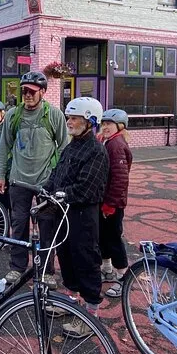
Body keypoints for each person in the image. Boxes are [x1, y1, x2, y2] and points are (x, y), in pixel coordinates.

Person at [0, 71, 68, 290]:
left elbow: (64, 147)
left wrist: (58, 179)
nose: (27, 95)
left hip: (45, 182)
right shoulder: (13, 115)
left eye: (32, 91)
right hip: (18, 181)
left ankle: (46, 271)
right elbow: (4, 147)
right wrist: (0, 175)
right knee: (18, 225)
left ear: (42, 92)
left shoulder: (54, 115)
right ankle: (17, 267)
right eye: (24, 91)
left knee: (47, 227)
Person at [43, 97, 108, 338]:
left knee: (85, 259)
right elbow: (57, 173)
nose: (69, 122)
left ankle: (91, 314)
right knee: (66, 256)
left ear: (90, 121)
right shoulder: (72, 146)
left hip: (83, 215)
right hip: (64, 212)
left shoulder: (96, 151)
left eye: (74, 118)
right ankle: (71, 300)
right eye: (68, 117)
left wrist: (59, 194)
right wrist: (47, 188)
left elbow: (85, 189)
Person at [98, 109, 132, 298]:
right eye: (103, 124)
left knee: (113, 239)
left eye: (109, 124)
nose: (105, 127)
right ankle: (107, 269)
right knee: (104, 236)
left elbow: (120, 179)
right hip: (106, 200)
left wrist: (110, 204)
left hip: (112, 203)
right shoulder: (109, 142)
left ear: (120, 126)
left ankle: (123, 276)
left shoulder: (116, 145)